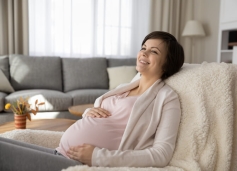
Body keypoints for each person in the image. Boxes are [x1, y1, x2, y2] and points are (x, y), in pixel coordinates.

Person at [0, 31, 184, 171]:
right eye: (143, 48)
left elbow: (161, 155)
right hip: (61, 152)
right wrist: (90, 113)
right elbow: (109, 116)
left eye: (153, 51)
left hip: (76, 164)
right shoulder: (128, 85)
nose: (144, 53)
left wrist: (98, 157)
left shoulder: (167, 98)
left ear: (168, 62)